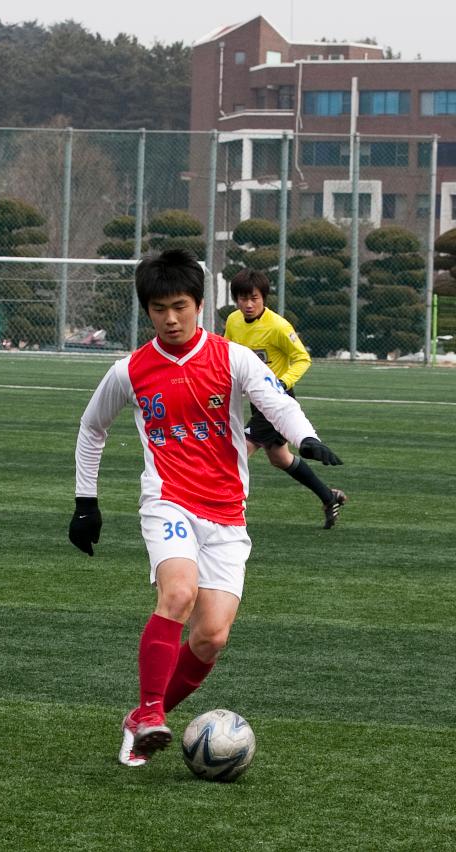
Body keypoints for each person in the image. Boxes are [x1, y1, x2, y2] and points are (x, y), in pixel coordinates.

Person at [68, 248, 342, 768]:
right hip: (167, 499)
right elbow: (91, 429)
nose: (170, 319)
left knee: (212, 636)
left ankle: (140, 719)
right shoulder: (129, 370)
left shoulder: (232, 357)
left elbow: (276, 400)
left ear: (200, 304)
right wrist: (86, 503)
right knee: (179, 592)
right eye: (158, 309)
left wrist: (305, 439)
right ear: (145, 311)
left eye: (180, 306)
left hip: (227, 513)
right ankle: (152, 712)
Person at [225, 270, 346, 528]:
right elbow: (227, 352)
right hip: (257, 401)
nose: (248, 304)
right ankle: (329, 496)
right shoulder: (233, 321)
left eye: (254, 298)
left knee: (237, 450)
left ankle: (219, 513)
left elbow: (302, 358)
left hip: (277, 400)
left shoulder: (279, 326)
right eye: (242, 298)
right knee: (279, 458)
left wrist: (283, 382)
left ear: (264, 298)